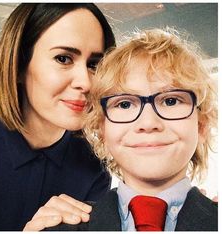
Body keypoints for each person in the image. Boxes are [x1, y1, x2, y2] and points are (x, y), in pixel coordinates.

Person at [46, 28, 218, 231]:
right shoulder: (57, 228)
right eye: (125, 104)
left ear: (201, 124)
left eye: (171, 101)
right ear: (101, 129)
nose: (148, 123)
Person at [0, 3, 116, 231]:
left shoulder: (95, 168)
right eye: (63, 59)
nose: (85, 83)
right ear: (18, 64)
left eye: (94, 64)